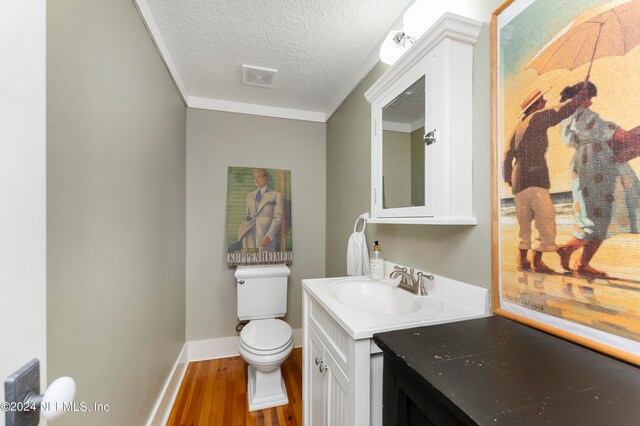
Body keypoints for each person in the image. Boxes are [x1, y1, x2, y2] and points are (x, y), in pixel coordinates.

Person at [555, 81, 640, 277]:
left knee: (594, 215)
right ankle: (571, 251)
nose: (591, 102)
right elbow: (620, 134)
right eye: (588, 97)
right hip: (597, 166)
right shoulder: (586, 117)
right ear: (580, 96)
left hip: (583, 165)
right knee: (600, 216)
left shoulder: (568, 118)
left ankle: (582, 263)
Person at [503, 87, 587, 273]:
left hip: (519, 179)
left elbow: (507, 156)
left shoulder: (517, 127)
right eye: (542, 101)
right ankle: (537, 261)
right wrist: (579, 97)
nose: (545, 103)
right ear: (535, 106)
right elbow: (558, 112)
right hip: (534, 175)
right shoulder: (536, 117)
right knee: (545, 218)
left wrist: (508, 177)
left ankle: (522, 258)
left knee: (524, 222)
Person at [237, 168, 284, 251]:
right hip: (249, 238)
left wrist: (269, 236)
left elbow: (278, 218)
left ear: (266, 178)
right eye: (254, 177)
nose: (256, 179)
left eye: (258, 176)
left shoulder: (276, 195)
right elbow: (247, 215)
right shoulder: (249, 195)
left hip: (265, 239)